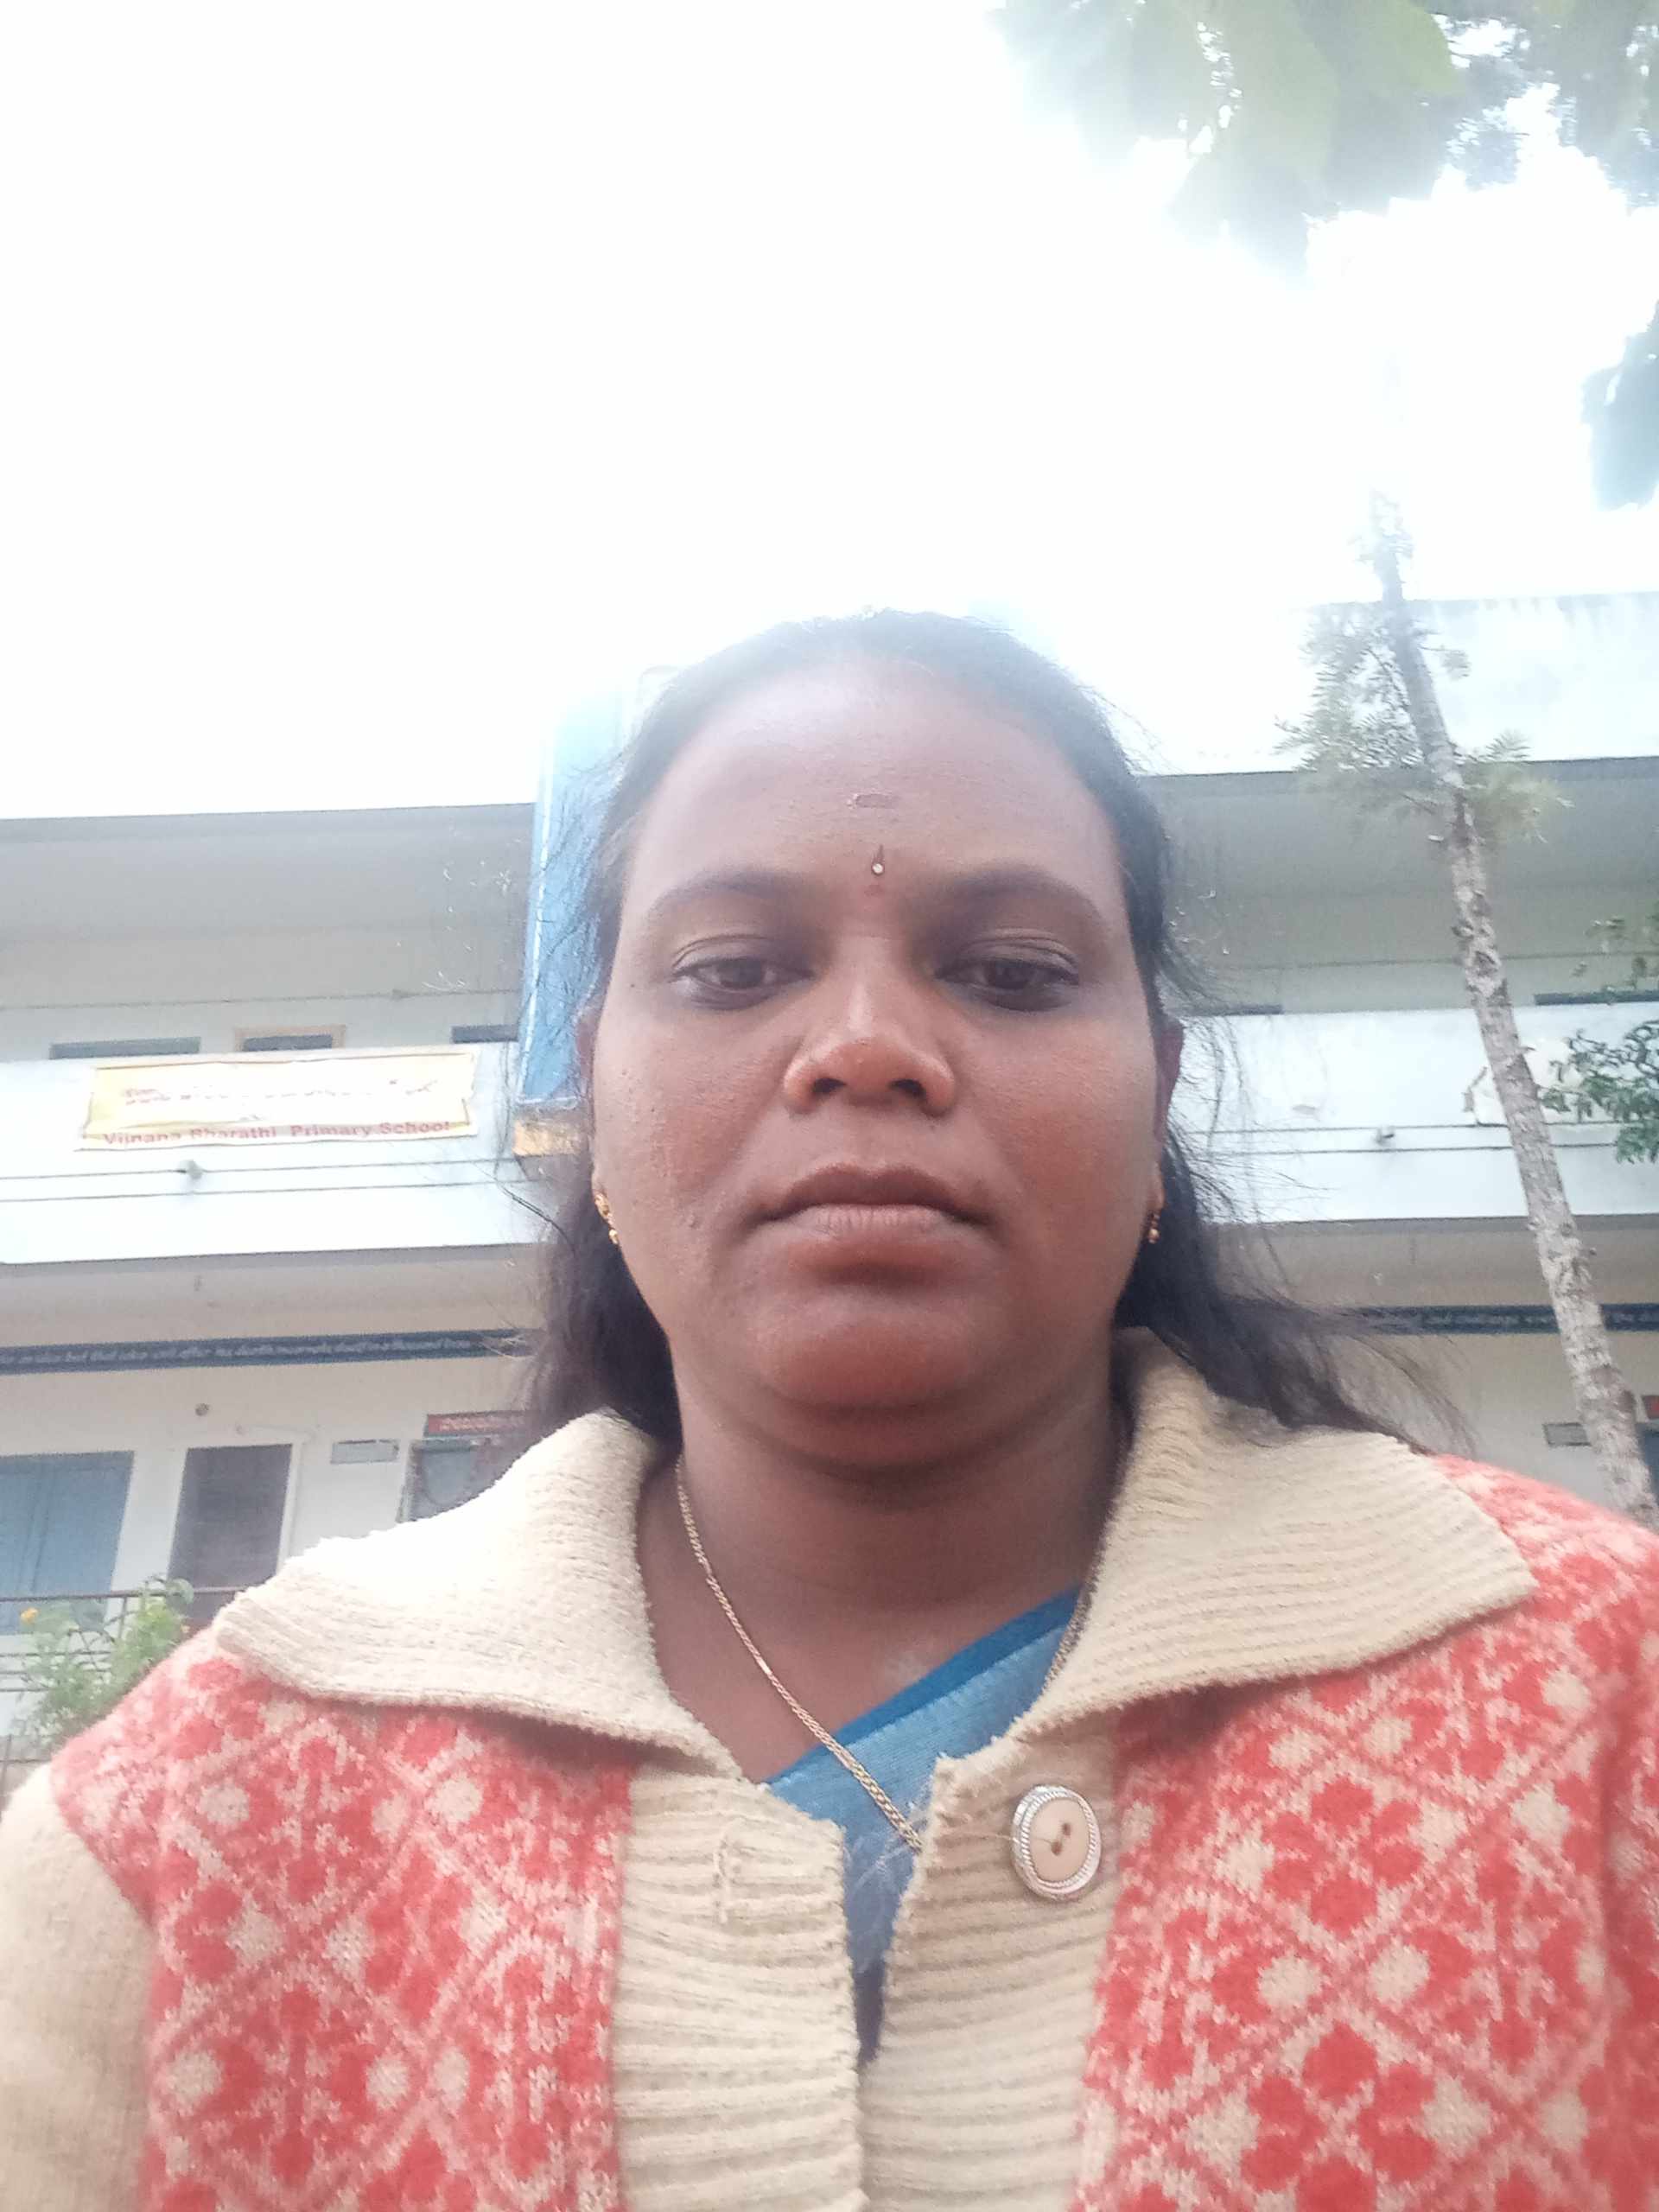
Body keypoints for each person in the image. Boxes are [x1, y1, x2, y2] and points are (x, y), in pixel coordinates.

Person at [3, 612, 1656, 2210]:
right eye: (732, 970)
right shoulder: (202, 1808)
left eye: (1012, 972)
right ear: (597, 1093)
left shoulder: (1603, 1700)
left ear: (1155, 1095)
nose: (866, 1050)